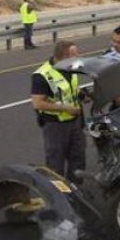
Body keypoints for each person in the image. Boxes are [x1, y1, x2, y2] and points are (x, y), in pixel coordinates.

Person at [30, 41, 84, 177]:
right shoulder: (42, 75)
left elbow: (69, 89)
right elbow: (38, 103)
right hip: (55, 125)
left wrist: (81, 95)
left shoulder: (71, 68)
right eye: (75, 54)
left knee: (77, 158)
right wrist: (66, 109)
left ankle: (76, 190)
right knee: (56, 163)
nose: (79, 56)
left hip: (75, 121)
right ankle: (59, 193)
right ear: (65, 56)